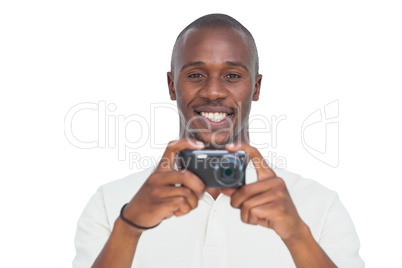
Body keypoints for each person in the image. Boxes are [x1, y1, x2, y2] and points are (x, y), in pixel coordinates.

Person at [73, 14, 364, 268]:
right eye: (196, 74)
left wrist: (297, 235)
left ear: (256, 87)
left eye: (233, 75)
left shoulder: (320, 205)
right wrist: (129, 227)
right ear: (172, 85)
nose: (213, 92)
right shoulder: (111, 204)